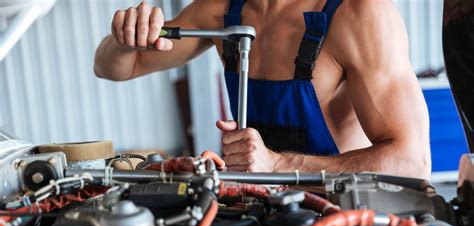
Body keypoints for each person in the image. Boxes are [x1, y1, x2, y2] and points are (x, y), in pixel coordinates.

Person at [94, 0, 431, 178]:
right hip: (259, 220)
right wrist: (124, 39)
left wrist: (277, 165)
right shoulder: (220, 11)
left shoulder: (361, 13)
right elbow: (114, 67)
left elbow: (412, 161)